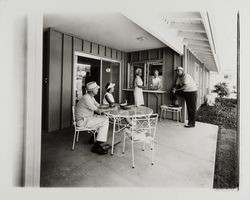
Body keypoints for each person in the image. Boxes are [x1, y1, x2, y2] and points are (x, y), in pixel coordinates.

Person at [75, 81, 109, 154]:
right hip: (82, 121)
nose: (98, 90)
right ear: (92, 90)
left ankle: (93, 138)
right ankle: (96, 146)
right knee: (105, 120)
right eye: (96, 89)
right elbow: (98, 110)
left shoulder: (90, 97)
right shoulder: (86, 98)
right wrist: (108, 111)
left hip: (88, 118)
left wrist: (110, 106)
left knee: (104, 118)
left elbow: (99, 106)